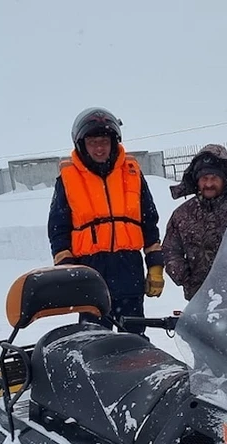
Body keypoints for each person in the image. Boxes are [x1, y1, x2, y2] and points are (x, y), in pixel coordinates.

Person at [47, 107, 164, 335]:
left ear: (114, 142)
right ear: (81, 144)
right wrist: (68, 271)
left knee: (134, 337)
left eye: (104, 142)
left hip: (129, 269)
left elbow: (149, 222)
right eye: (93, 142)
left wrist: (155, 265)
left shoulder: (132, 173)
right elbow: (58, 230)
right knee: (94, 340)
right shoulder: (68, 179)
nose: (99, 148)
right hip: (90, 272)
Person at [162, 144, 227, 302]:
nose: (209, 184)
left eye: (214, 178)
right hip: (199, 300)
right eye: (204, 179)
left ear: (225, 179)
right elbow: (170, 251)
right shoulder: (182, 214)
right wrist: (187, 279)